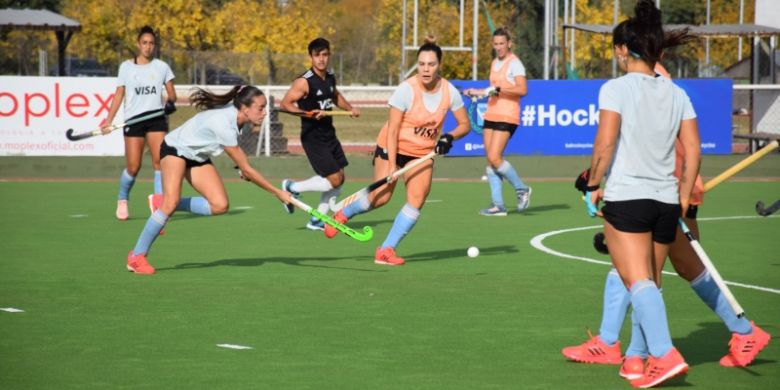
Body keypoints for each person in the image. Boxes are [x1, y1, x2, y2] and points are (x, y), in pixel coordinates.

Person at [563, 64, 771, 377]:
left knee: (662, 271)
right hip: (662, 188)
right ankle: (615, 344)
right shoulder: (649, 80)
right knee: (639, 267)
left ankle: (735, 333)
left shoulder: (651, 80)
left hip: (669, 189)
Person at [579, 1, 701, 387]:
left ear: (621, 50)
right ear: (657, 52)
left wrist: (594, 184)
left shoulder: (615, 88)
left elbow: (605, 144)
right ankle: (635, 359)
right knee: (649, 278)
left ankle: (664, 354)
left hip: (628, 198)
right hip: (666, 201)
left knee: (638, 280)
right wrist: (683, 194)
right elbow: (694, 151)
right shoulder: (676, 92)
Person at [323, 40, 470, 265]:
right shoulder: (406, 90)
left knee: (417, 199)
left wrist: (449, 137)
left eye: (431, 64)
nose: (426, 69)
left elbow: (464, 125)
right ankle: (343, 214)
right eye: (421, 64)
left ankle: (386, 249)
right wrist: (392, 165)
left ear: (439, 65)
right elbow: (392, 131)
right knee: (380, 198)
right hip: (392, 147)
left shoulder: (450, 92)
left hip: (422, 154)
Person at [126, 86, 292, 275]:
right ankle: (136, 257)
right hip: (175, 149)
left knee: (220, 205)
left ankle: (160, 202)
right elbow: (247, 168)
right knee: (170, 202)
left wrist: (242, 168)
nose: (264, 113)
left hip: (197, 155)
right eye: (260, 108)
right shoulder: (225, 124)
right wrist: (277, 192)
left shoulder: (237, 115)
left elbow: (241, 163)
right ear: (245, 108)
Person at [280, 38, 360, 231]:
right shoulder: (304, 81)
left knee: (340, 179)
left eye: (325, 55)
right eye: (317, 55)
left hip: (329, 134)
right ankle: (291, 187)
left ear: (329, 55)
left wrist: (350, 109)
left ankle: (317, 220)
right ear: (311, 57)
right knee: (334, 179)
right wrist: (308, 114)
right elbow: (285, 104)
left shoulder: (330, 76)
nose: (321, 59)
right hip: (313, 137)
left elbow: (335, 96)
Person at [102, 25, 177, 220]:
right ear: (138, 44)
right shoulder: (126, 67)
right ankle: (122, 198)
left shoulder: (162, 67)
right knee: (133, 167)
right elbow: (119, 95)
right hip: (134, 120)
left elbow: (172, 94)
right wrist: (108, 120)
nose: (148, 46)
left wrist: (170, 102)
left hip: (156, 120)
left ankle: (159, 204)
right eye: (144, 43)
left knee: (160, 162)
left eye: (151, 43)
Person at [462, 27, 530, 216]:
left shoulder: (515, 63)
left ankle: (521, 188)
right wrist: (477, 92)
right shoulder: (494, 63)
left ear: (509, 43)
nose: (499, 47)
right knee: (491, 161)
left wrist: (498, 90)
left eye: (502, 43)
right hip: (491, 114)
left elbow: (522, 90)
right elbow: (493, 90)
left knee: (495, 158)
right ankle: (498, 205)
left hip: (507, 115)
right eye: (496, 44)